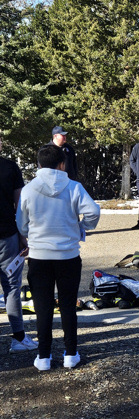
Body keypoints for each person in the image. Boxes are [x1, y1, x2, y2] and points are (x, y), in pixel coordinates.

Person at [16, 144, 100, 371]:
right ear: (62, 164)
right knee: (67, 306)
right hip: (68, 255)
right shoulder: (74, 186)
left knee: (42, 307)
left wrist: (29, 236)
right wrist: (82, 227)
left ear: (39, 165)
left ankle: (43, 356)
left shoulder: (29, 189)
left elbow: (21, 223)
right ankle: (71, 354)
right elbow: (93, 211)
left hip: (39, 256)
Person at [0, 133, 38, 354]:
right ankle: (18, 338)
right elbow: (19, 205)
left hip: (8, 233)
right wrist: (23, 235)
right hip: (6, 234)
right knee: (12, 287)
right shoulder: (10, 167)